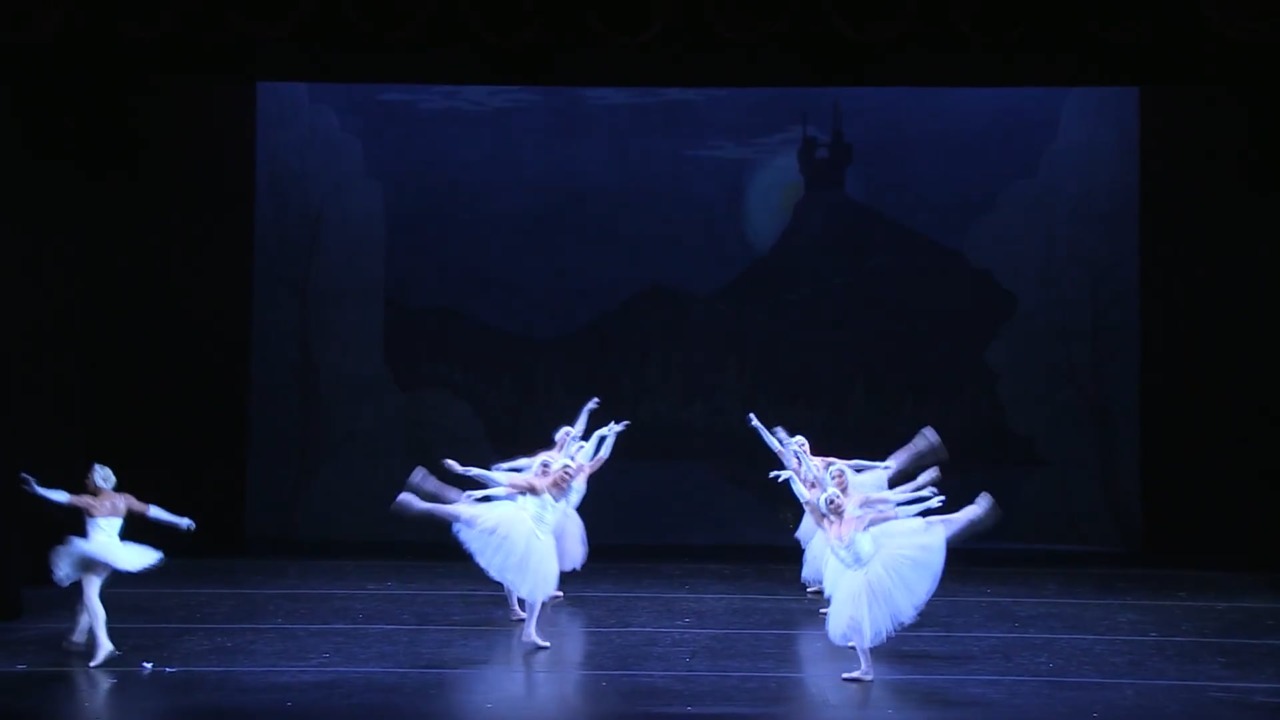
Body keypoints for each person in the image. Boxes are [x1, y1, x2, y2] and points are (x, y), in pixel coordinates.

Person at [774, 451, 999, 682]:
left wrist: (926, 501)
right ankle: (866, 669)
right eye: (830, 501)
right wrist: (792, 477)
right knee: (853, 620)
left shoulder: (859, 517)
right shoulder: (826, 525)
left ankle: (970, 514)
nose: (836, 501)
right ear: (827, 507)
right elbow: (807, 502)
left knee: (923, 531)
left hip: (878, 562)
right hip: (855, 573)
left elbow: (896, 511)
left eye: (837, 498)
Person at [19, 465, 196, 667]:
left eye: (88, 478)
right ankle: (77, 637)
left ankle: (104, 644)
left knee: (90, 595)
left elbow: (63, 497)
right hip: (113, 552)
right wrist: (179, 520)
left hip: (96, 552)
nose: (85, 481)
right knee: (90, 592)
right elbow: (151, 510)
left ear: (96, 480)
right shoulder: (124, 499)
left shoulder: (91, 502)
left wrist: (38, 490)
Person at [390, 459, 577, 649]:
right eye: (564, 474)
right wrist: (464, 470)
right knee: (467, 515)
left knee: (536, 585)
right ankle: (420, 505)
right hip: (516, 526)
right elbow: (499, 480)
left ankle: (529, 632)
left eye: (569, 476)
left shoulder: (563, 491)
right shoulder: (536, 484)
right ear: (556, 471)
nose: (566, 478)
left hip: (540, 540)